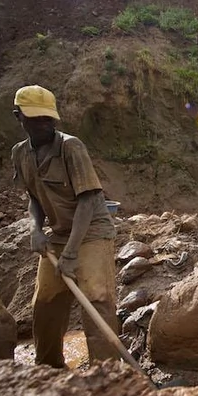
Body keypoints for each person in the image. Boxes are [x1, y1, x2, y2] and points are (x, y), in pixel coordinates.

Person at [10, 85, 119, 368]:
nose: (45, 124)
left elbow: (87, 202)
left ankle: (106, 373)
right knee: (45, 302)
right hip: (58, 235)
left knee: (97, 298)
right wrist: (35, 228)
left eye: (49, 119)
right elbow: (34, 198)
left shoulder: (71, 147)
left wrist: (71, 254)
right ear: (18, 116)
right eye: (37, 119)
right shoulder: (20, 154)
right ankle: (48, 369)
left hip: (92, 232)